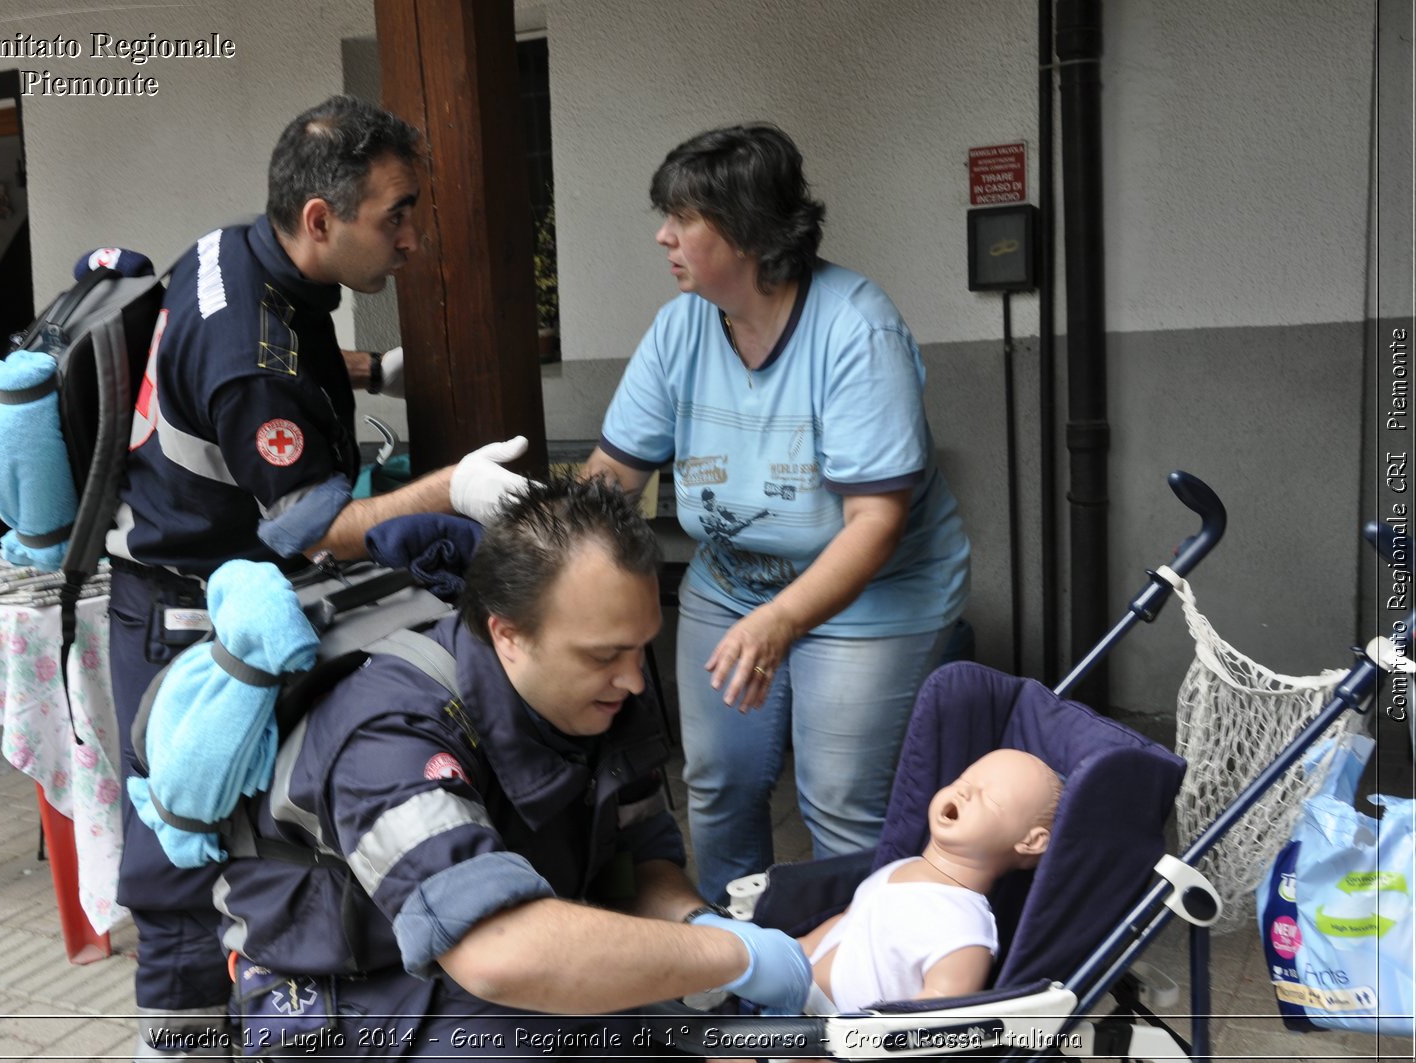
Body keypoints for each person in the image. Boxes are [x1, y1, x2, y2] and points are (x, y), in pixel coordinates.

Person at [105, 95, 532, 1058]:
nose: (414, 238)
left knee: (256, 842)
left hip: (216, 597)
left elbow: (281, 362)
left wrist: (374, 367)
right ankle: (176, 1047)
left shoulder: (234, 253)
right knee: (185, 852)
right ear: (319, 219)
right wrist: (454, 490)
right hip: (185, 621)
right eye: (399, 215)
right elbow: (321, 528)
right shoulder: (251, 361)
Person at [211, 477, 813, 1057]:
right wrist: (735, 958)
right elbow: (496, 952)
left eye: (642, 647)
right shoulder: (390, 730)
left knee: (684, 1022)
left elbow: (635, 866)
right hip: (346, 993)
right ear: (509, 636)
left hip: (496, 959)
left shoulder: (605, 689)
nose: (633, 680)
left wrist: (704, 931)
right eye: (605, 655)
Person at [585, 123, 972, 903]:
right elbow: (612, 477)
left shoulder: (855, 329)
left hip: (877, 594)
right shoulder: (680, 328)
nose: (663, 235)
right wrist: (535, 556)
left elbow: (874, 523)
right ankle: (739, 963)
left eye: (683, 217)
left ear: (750, 231)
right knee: (719, 784)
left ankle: (849, 978)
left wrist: (784, 619)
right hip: (731, 582)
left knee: (840, 801)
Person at [799, 748, 1062, 1011]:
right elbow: (847, 923)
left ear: (1031, 841)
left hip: (837, 1039)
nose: (964, 791)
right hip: (795, 991)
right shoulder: (903, 868)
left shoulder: (966, 929)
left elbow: (934, 1016)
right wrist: (798, 949)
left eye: (991, 798)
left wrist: (848, 1044)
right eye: (964, 780)